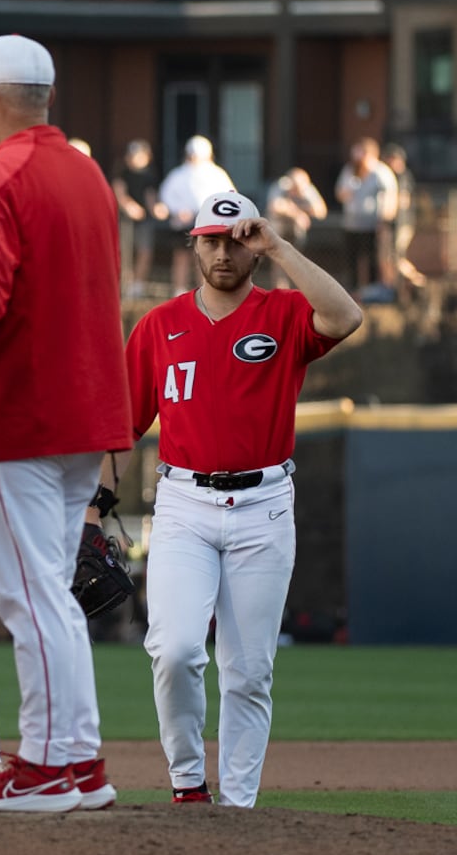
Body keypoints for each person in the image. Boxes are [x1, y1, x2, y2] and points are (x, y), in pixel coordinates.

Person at [90, 190, 362, 807]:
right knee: (176, 649)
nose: (221, 251)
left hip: (264, 505)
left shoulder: (286, 313)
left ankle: (239, 805)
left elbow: (345, 317)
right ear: (193, 245)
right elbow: (121, 428)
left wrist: (280, 244)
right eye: (209, 239)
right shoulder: (160, 326)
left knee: (249, 671)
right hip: (184, 504)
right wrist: (95, 507)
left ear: (253, 248)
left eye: (234, 240)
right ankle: (188, 782)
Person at [0, 34, 131, 813]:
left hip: (20, 410)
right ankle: (79, 760)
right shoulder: (89, 173)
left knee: (29, 594)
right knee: (48, 588)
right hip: (88, 408)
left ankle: (52, 765)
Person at [158, 135, 235, 294]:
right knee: (182, 256)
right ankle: (179, 290)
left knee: (205, 257)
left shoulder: (217, 174)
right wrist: (178, 210)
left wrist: (214, 214)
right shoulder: (178, 174)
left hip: (208, 224)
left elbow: (230, 197)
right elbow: (166, 196)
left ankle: (205, 291)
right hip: (184, 224)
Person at [334, 137, 398, 295]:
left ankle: (373, 292)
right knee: (352, 259)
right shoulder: (349, 171)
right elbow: (339, 193)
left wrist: (384, 222)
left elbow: (390, 198)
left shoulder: (381, 173)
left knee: (373, 260)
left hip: (373, 226)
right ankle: (353, 291)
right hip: (352, 224)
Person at [112, 139, 165, 295]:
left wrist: (156, 208)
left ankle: (138, 285)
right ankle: (124, 285)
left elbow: (151, 197)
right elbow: (119, 193)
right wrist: (128, 205)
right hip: (125, 221)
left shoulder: (150, 176)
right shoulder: (122, 173)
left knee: (145, 250)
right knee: (124, 252)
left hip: (144, 221)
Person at [264, 168, 328, 289]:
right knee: (279, 262)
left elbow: (321, 211)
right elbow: (275, 206)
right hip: (278, 229)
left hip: (296, 233)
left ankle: (296, 294)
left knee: (296, 262)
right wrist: (298, 214)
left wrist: (299, 208)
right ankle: (281, 292)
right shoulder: (281, 186)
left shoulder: (307, 188)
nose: (298, 191)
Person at [382, 143, 422, 289]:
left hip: (403, 223)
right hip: (396, 224)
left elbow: (403, 202)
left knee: (396, 256)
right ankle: (395, 285)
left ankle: (418, 281)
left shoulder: (403, 177)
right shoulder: (392, 176)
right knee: (392, 257)